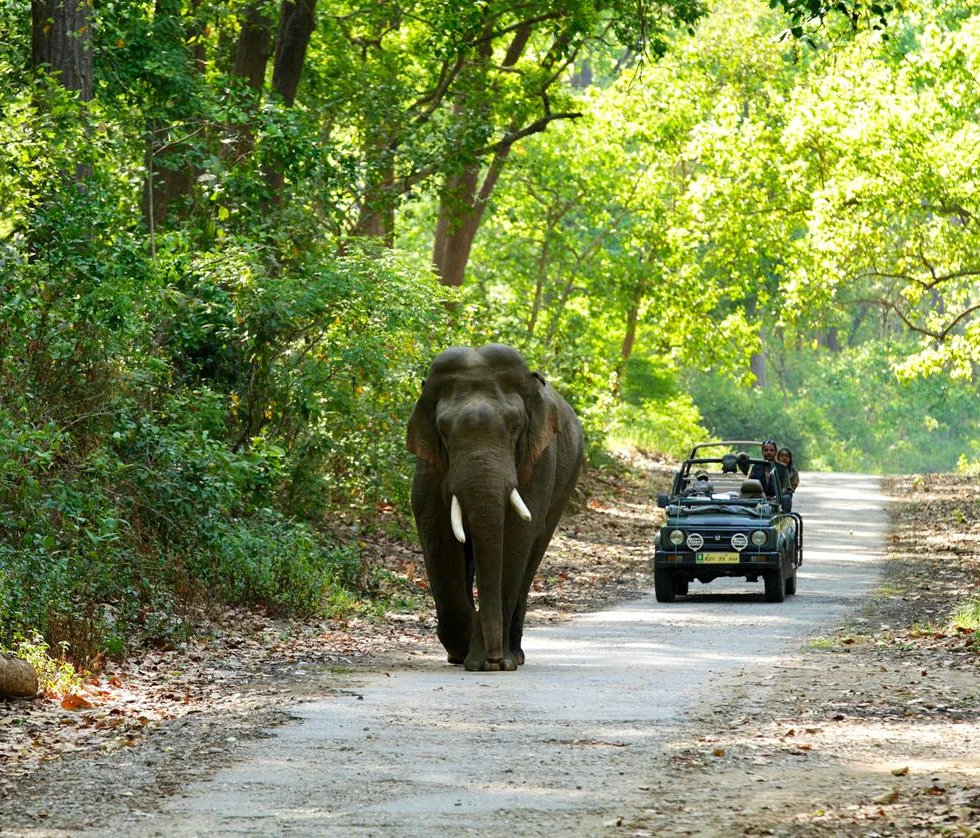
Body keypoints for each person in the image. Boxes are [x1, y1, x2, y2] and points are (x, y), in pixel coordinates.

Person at [749, 439, 788, 504]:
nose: (768, 452)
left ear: (775, 452)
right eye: (766, 450)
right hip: (758, 501)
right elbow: (750, 486)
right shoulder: (755, 467)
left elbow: (786, 488)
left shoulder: (783, 468)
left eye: (771, 450)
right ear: (762, 452)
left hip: (776, 502)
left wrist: (776, 497)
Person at [777, 447, 800, 511]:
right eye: (782, 456)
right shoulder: (773, 468)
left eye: (787, 456)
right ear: (778, 458)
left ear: (790, 458)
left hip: (785, 495)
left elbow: (793, 486)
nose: (784, 458)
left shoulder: (793, 471)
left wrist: (783, 491)